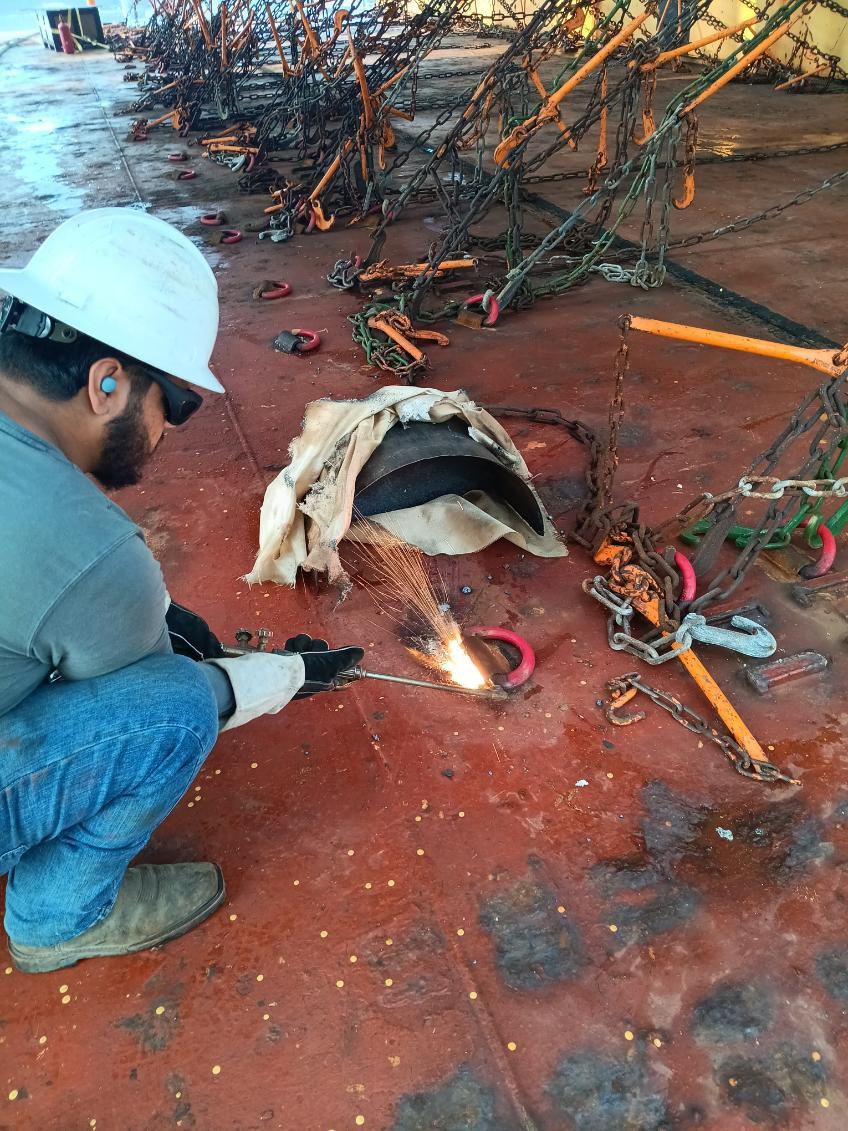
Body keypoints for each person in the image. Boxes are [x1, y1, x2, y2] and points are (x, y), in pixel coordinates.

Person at [0, 208, 364, 974]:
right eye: (176, 405)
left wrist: (158, 617)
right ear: (106, 382)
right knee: (177, 706)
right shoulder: (89, 550)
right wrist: (271, 678)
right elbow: (159, 689)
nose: (169, 433)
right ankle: (57, 916)